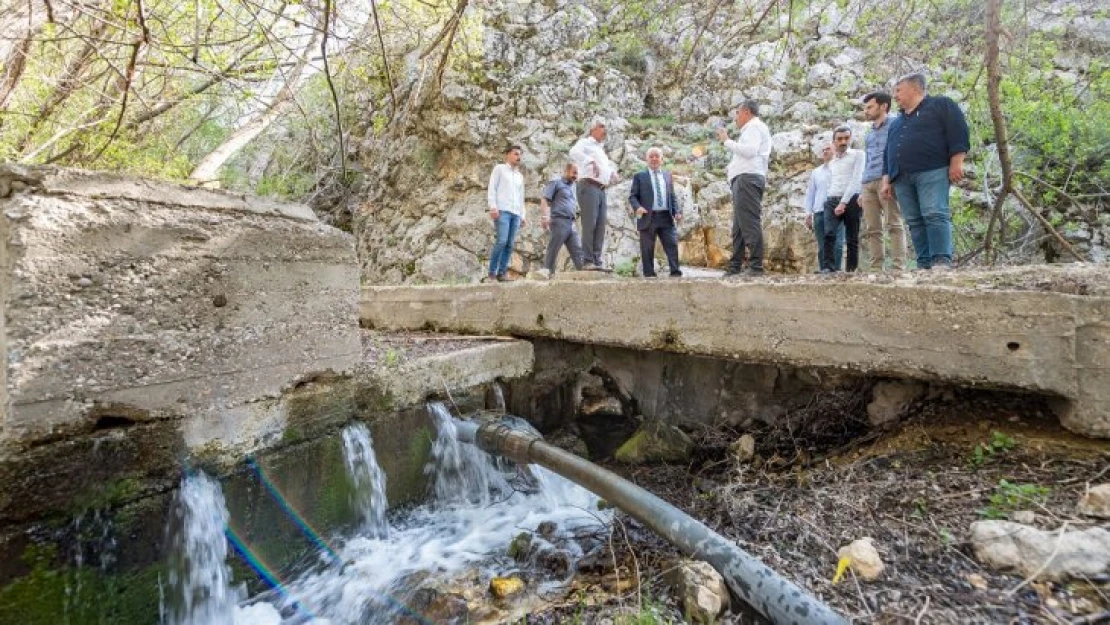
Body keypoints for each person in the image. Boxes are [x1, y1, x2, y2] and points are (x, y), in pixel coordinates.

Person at [881, 72, 970, 270]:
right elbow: (888, 151)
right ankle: (924, 263)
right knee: (914, 220)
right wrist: (887, 179)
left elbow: (959, 131)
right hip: (902, 177)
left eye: (898, 90)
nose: (895, 95)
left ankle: (941, 260)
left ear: (914, 87)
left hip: (933, 170)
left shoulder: (941, 105)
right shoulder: (897, 122)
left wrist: (957, 161)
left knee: (935, 213)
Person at [716, 100, 772, 276]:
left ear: (747, 112)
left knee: (749, 223)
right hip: (744, 179)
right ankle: (735, 266)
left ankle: (755, 266)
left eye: (738, 114)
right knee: (739, 227)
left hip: (748, 179)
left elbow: (749, 151)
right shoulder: (752, 129)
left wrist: (727, 141)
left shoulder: (754, 127)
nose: (736, 119)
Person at [860, 91, 906, 272]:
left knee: (893, 223)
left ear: (883, 106)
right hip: (868, 182)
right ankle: (876, 269)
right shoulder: (869, 134)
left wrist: (893, 179)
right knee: (872, 229)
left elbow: (899, 152)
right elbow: (868, 158)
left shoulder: (896, 124)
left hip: (887, 179)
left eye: (870, 106)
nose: (866, 111)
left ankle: (898, 268)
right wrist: (861, 188)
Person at [568, 117, 620, 270]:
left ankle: (597, 260)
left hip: (601, 189)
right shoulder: (585, 143)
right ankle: (587, 260)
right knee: (589, 224)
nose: (605, 130)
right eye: (601, 126)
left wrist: (612, 173)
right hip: (588, 185)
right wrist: (590, 161)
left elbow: (604, 166)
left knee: (600, 225)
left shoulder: (600, 148)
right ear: (593, 129)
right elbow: (573, 152)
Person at [628, 147, 683, 277]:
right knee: (647, 249)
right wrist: (638, 207)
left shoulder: (667, 176)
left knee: (672, 245)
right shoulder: (640, 176)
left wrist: (677, 211)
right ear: (646, 159)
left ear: (661, 159)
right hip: (648, 216)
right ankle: (649, 275)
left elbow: (672, 196)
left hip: (666, 216)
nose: (654, 159)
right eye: (651, 156)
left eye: (657, 156)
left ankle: (675, 273)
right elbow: (633, 196)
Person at [821, 125, 866, 273]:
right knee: (828, 233)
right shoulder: (832, 162)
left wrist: (843, 202)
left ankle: (851, 270)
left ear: (850, 139)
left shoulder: (858, 155)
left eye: (846, 138)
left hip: (851, 200)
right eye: (839, 139)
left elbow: (856, 179)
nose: (843, 142)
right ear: (834, 141)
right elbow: (830, 182)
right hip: (832, 199)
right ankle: (829, 268)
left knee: (852, 237)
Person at [485, 145, 526, 282]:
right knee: (501, 241)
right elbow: (492, 188)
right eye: (515, 154)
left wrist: (522, 215)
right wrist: (493, 206)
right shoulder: (499, 169)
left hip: (515, 213)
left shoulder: (519, 176)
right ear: (507, 155)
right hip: (502, 210)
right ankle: (492, 272)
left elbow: (521, 197)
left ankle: (502, 273)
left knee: (509, 244)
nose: (518, 157)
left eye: (519, 154)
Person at [803, 144, 844, 272]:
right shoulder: (816, 172)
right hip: (819, 211)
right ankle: (824, 270)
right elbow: (811, 194)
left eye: (828, 149)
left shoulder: (841, 168)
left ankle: (835, 270)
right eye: (823, 149)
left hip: (836, 210)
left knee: (837, 243)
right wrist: (808, 213)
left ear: (835, 151)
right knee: (822, 244)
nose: (825, 151)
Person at [540, 163, 585, 275]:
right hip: (559, 220)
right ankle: (548, 273)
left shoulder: (574, 186)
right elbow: (545, 199)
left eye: (577, 173)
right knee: (554, 248)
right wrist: (545, 216)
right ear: (566, 171)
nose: (576, 176)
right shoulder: (556, 182)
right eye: (574, 173)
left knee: (577, 249)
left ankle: (584, 273)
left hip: (571, 222)